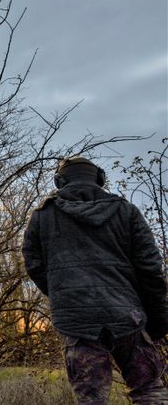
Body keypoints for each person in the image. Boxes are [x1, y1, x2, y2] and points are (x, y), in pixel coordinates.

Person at [22, 156, 168, 404]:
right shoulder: (126, 211)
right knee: (149, 391)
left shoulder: (42, 216)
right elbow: (151, 269)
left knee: (91, 399)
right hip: (128, 316)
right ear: (99, 179)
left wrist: (66, 295)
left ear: (60, 181)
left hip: (76, 323)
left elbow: (34, 264)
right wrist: (159, 320)